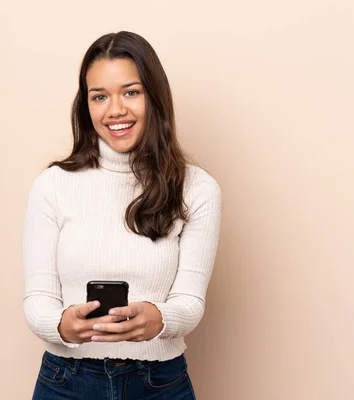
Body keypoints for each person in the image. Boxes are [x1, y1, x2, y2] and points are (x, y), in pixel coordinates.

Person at [23, 31, 222, 399]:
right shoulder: (52, 186)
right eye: (99, 96)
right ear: (86, 106)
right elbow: (37, 299)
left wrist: (160, 319)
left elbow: (190, 303)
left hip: (160, 383)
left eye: (131, 92)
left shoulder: (198, 188)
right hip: (66, 381)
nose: (115, 110)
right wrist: (61, 325)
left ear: (155, 96)